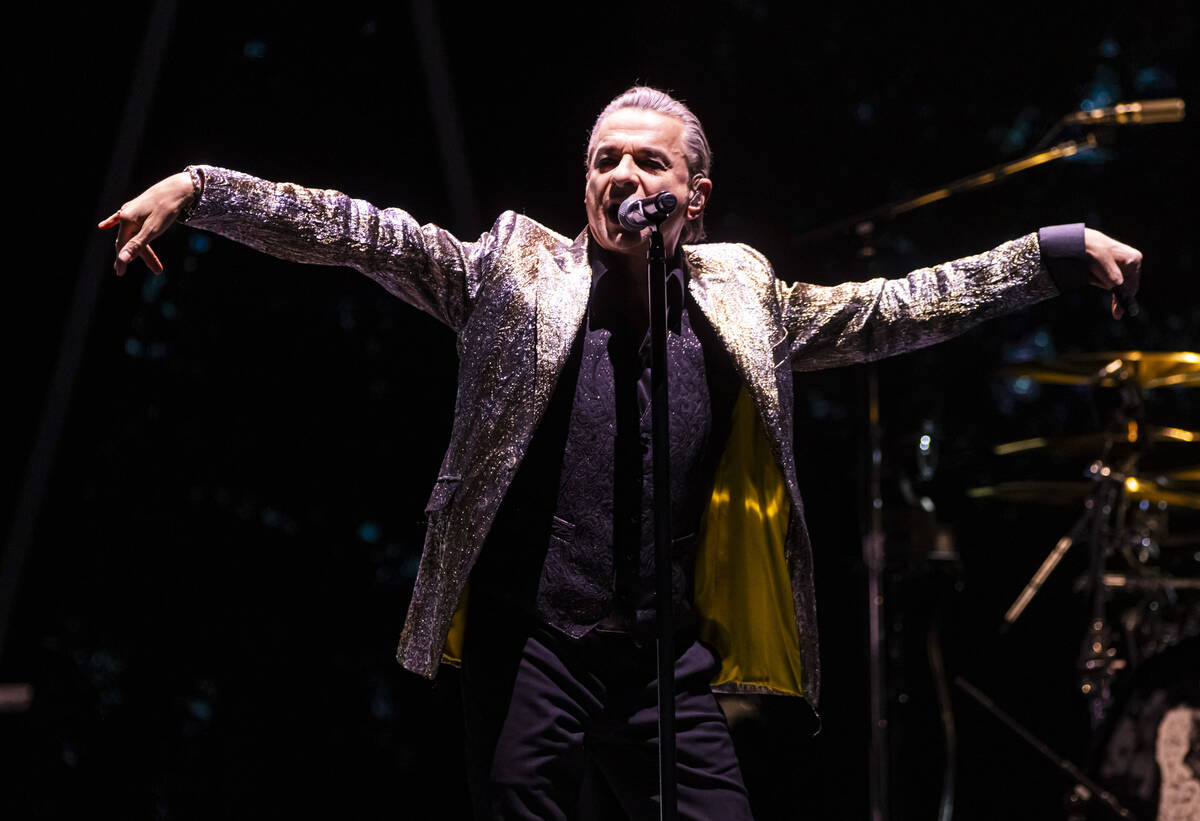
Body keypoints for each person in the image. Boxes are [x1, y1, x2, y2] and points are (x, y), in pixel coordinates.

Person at [100, 86, 1142, 819]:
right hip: (531, 645)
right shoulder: (513, 273)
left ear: (694, 196)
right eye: (606, 159)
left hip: (663, 657)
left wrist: (1045, 257)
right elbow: (365, 232)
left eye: (650, 160)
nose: (623, 174)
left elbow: (892, 308)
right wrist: (205, 188)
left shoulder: (741, 299)